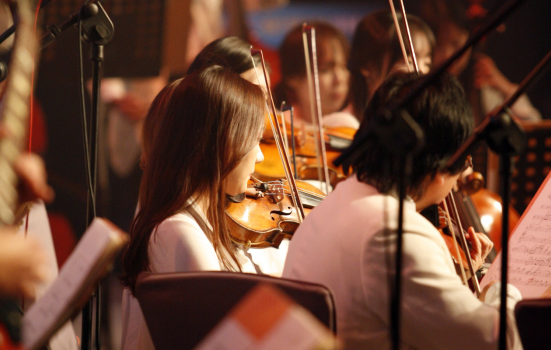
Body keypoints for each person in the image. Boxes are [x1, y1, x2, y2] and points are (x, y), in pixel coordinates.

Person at [282, 72, 522, 349]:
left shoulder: (336, 201)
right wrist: (505, 290)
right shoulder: (394, 233)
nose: (465, 171)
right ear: (440, 165)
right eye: (464, 158)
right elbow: (492, 342)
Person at [120, 65, 267, 350]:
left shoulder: (194, 221)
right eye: (255, 141)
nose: (260, 156)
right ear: (224, 143)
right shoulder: (179, 232)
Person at [348, 10, 435, 121]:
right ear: (367, 66)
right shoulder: (344, 125)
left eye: (427, 63)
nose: (421, 71)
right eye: (408, 61)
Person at [274, 21, 356, 128]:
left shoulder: (357, 125)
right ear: (292, 77)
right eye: (325, 70)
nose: (339, 79)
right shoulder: (280, 127)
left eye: (344, 66)